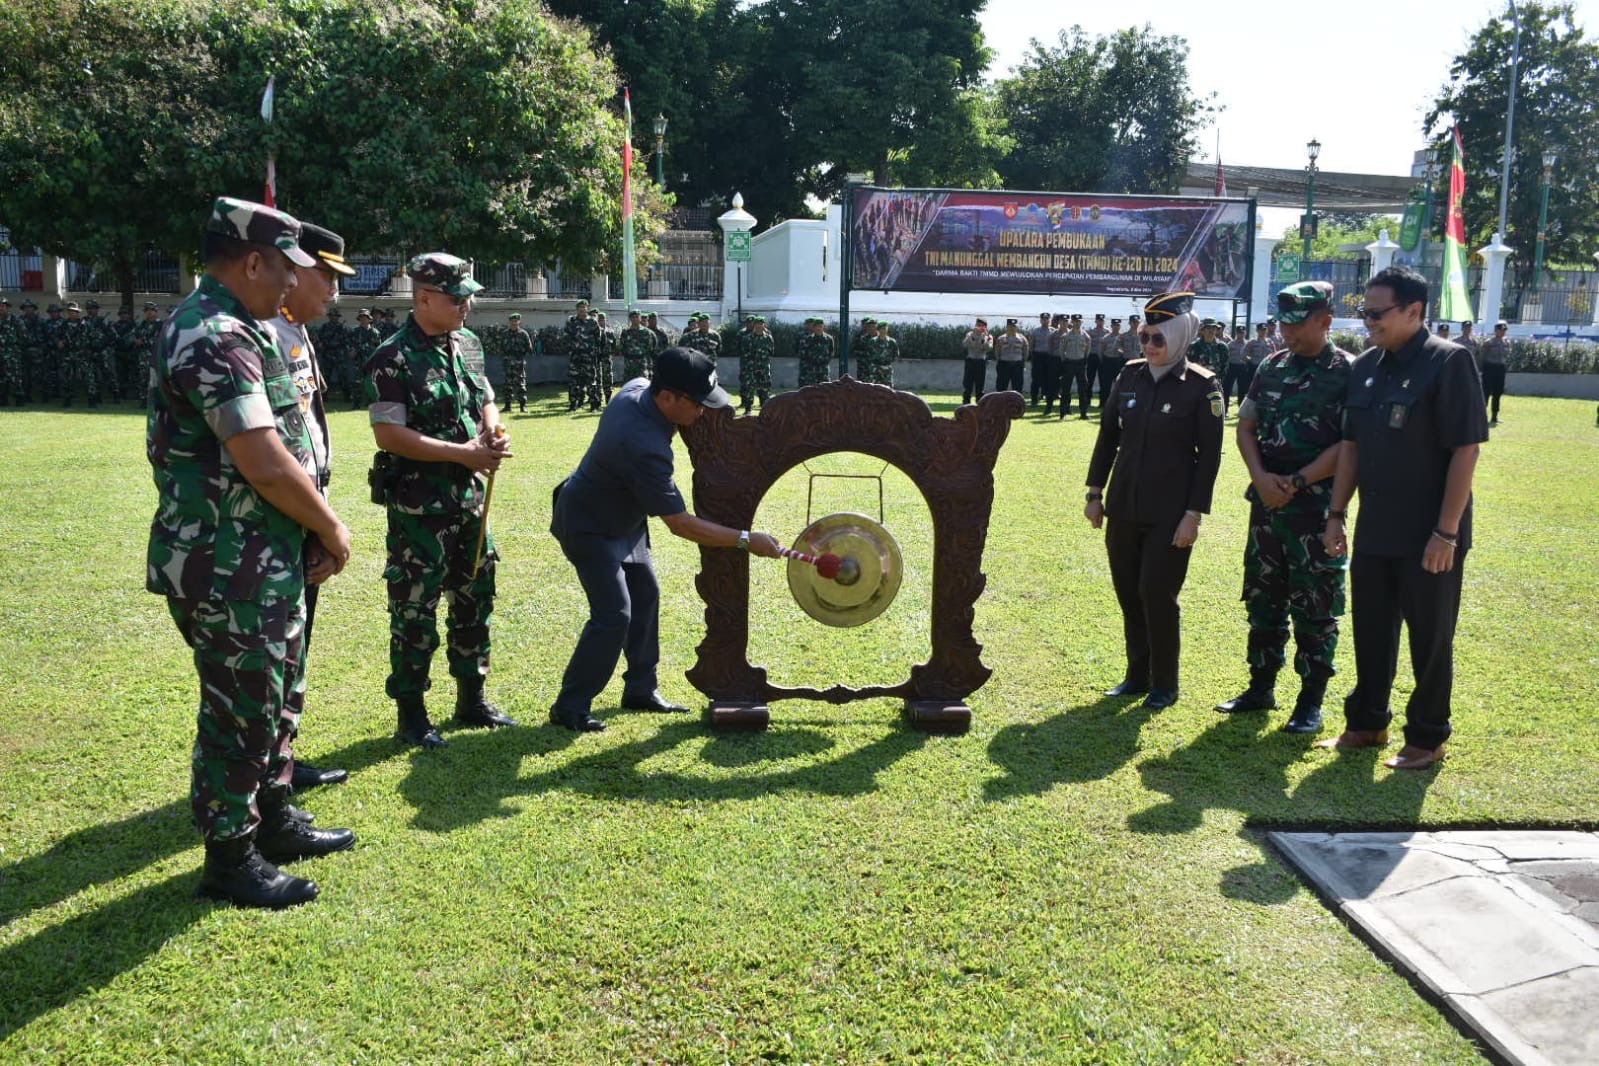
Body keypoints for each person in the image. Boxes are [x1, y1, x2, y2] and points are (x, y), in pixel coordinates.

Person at [148, 196, 355, 908]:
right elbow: (263, 461)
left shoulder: (249, 327)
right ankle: (231, 857)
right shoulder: (211, 333)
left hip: (261, 552)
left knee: (274, 692)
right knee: (242, 707)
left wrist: (307, 533)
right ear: (254, 261)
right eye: (287, 268)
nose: (295, 284)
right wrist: (331, 528)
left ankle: (273, 818)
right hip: (225, 557)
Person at [549, 347, 783, 731]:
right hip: (589, 525)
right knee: (614, 615)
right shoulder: (642, 446)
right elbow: (682, 524)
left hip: (626, 521)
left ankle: (641, 689)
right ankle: (570, 706)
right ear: (668, 397)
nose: (703, 412)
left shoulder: (638, 388)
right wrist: (745, 539)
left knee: (646, 596)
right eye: (697, 404)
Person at [1319, 265, 1487, 771]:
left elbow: (1466, 451)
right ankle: (1368, 723)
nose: (1368, 321)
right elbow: (1350, 445)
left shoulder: (1449, 362)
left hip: (1429, 532)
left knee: (1430, 638)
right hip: (1376, 527)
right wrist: (1336, 514)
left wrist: (1446, 532)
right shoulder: (1367, 364)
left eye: (1377, 313)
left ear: (1414, 311)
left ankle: (1427, 737)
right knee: (1371, 629)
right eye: (1363, 312)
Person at [363, 253, 516, 749]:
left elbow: (484, 397)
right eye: (456, 298)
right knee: (414, 608)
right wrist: (464, 453)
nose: (466, 305)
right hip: (419, 509)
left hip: (470, 501)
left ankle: (472, 699)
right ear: (423, 297)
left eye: (469, 296)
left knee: (476, 596)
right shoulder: (392, 356)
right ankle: (412, 715)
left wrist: (491, 432)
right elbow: (389, 434)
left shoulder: (467, 344)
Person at [1216, 282, 1352, 734]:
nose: (1287, 333)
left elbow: (1349, 445)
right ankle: (1260, 687)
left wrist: (1296, 481)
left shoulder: (1347, 372)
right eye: (1283, 323)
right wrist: (1259, 477)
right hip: (1267, 508)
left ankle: (1310, 702)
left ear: (1325, 321)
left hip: (1314, 511)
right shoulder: (1271, 366)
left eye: (1297, 324)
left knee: (1315, 607)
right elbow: (1246, 427)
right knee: (1263, 599)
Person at [1084, 291, 1224, 710]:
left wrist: (1194, 515)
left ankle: (1165, 683)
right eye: (1144, 337)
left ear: (1179, 338)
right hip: (1124, 506)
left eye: (1157, 339)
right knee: (1128, 592)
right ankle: (1136, 675)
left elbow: (1210, 458)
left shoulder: (1202, 386)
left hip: (1170, 512)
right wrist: (1095, 492)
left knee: (1157, 594)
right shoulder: (1129, 375)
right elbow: (1108, 435)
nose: (1148, 347)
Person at [265, 220, 360, 791]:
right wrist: (319, 524)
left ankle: (283, 759)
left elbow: (307, 427)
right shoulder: (262, 335)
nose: (333, 290)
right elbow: (271, 450)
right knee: (273, 654)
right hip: (281, 522)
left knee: (295, 651)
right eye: (326, 275)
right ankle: (269, 769)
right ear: (294, 269)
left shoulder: (295, 332)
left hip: (305, 515)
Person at [564, 299, 601, 411]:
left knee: (591, 382)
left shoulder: (593, 322)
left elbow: (598, 338)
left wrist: (594, 351)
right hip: (575, 357)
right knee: (574, 382)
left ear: (587, 308)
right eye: (580, 308)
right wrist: (571, 348)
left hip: (589, 357)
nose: (582, 310)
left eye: (584, 308)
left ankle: (593, 405)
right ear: (577, 310)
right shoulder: (571, 321)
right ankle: (573, 405)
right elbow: (566, 337)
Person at [1057, 313, 1092, 420]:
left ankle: (1083, 413)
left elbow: (1087, 350)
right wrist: (1065, 361)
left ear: (1081, 322)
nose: (1077, 323)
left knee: (1083, 389)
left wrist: (1084, 360)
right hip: (1069, 363)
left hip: (1080, 363)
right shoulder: (1066, 336)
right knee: (1066, 389)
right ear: (1072, 322)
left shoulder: (1086, 336)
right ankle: (1063, 413)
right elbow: (1061, 350)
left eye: (1079, 322)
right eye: (1075, 321)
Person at [738, 314, 774, 412]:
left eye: (761, 324)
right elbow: (744, 353)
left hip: (764, 368)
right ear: (754, 325)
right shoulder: (747, 339)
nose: (759, 326)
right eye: (757, 324)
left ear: (764, 325)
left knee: (765, 389)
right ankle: (748, 409)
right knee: (749, 388)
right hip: (751, 368)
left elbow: (771, 352)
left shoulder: (768, 338)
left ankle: (765, 409)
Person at [1478, 320, 1510, 425]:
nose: (1503, 332)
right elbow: (1482, 356)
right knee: (1486, 393)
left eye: (1504, 330)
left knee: (1498, 393)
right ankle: (1482, 417)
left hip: (1500, 369)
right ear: (1496, 330)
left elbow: (1506, 356)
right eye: (1501, 330)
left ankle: (1494, 417)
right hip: (1489, 368)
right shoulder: (1489, 343)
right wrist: (1481, 369)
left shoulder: (1506, 342)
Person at [502, 312, 533, 411]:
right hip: (508, 363)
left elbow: (529, 348)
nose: (514, 323)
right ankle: (507, 406)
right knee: (508, 385)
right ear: (509, 322)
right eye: (512, 321)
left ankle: (523, 406)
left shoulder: (523, 334)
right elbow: (501, 347)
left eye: (516, 321)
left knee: (521, 385)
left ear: (519, 322)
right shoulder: (505, 334)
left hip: (519, 363)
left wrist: (521, 355)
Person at [619, 308, 658, 383]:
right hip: (629, 365)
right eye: (633, 317)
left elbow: (653, 348)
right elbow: (622, 347)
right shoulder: (625, 332)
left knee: (642, 385)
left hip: (642, 364)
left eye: (637, 317)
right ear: (630, 319)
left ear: (640, 318)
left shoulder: (647, 333)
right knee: (629, 386)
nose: (635, 319)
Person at [795, 316, 835, 388]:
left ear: (823, 327)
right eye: (816, 326)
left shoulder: (829, 339)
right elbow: (803, 354)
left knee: (825, 390)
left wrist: (824, 361)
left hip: (823, 371)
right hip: (811, 372)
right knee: (810, 391)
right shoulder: (808, 339)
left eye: (820, 326)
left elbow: (831, 353)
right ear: (814, 328)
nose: (818, 328)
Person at [960, 318, 992, 404]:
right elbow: (965, 344)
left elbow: (988, 348)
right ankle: (966, 403)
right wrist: (973, 336)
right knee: (967, 384)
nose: (979, 327)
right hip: (970, 361)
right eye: (978, 325)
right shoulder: (970, 334)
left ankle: (980, 404)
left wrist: (983, 339)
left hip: (981, 362)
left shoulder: (988, 336)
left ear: (985, 327)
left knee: (980, 385)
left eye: (982, 326)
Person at [994, 318, 1029, 393]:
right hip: (1004, 364)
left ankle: (1016, 403)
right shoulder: (1001, 338)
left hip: (1017, 364)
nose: (1012, 328)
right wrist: (1000, 362)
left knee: (1018, 386)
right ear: (1006, 327)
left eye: (1014, 326)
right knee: (1001, 386)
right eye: (1010, 326)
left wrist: (1022, 362)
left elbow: (1025, 352)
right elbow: (997, 351)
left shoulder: (1022, 339)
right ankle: (1000, 402)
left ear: (1016, 327)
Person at [1027, 312, 1054, 407]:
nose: (1045, 321)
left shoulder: (1053, 331)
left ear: (1050, 320)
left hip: (1049, 356)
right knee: (1036, 378)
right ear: (1040, 320)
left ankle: (1046, 396)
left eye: (1047, 319)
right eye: (1043, 319)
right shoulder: (1035, 331)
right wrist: (1031, 356)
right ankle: (1034, 398)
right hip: (1038, 356)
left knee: (1048, 378)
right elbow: (1031, 345)